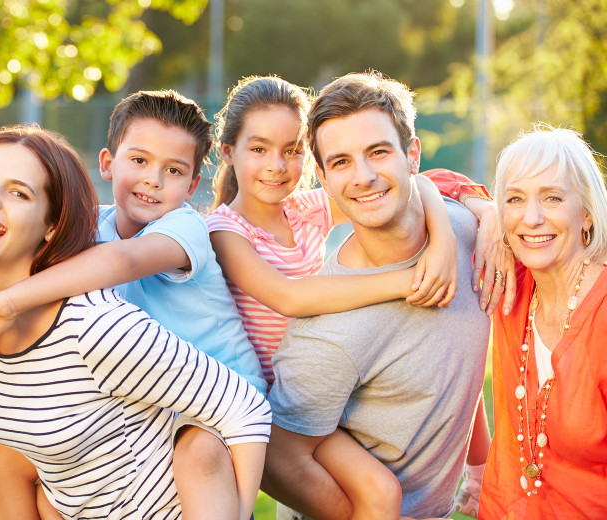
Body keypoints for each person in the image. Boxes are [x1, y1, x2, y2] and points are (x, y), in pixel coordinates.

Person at [0, 91, 266, 520]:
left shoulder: (184, 229)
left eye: (173, 170)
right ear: (108, 163)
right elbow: (8, 249)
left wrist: (8, 301)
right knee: (6, 458)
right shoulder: (93, 228)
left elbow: (120, 261)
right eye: (139, 161)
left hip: (221, 401)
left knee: (200, 452)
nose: (153, 179)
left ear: (193, 185)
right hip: (153, 400)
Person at [207, 75, 498, 517]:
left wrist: (456, 229)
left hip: (325, 402)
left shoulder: (306, 209)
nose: (276, 165)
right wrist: (406, 283)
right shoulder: (225, 231)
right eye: (259, 149)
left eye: (291, 151)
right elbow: (289, 297)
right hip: (263, 408)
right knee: (378, 497)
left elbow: (410, 185)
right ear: (228, 152)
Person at [479, 125, 607, 519]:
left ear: (586, 213)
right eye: (515, 199)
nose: (531, 218)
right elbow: (424, 183)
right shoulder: (509, 286)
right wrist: (483, 212)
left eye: (552, 198)